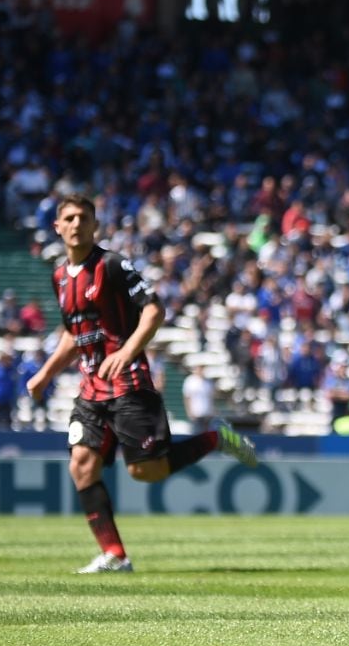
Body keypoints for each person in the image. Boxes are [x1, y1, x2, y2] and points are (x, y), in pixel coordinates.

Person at [26, 194, 257, 574]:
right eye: (68, 218)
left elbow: (153, 309)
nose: (76, 224)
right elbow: (73, 333)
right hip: (90, 390)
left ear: (95, 224)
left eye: (83, 217)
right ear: (57, 226)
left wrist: (127, 351)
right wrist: (45, 373)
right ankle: (115, 555)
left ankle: (217, 439)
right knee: (82, 466)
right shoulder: (58, 277)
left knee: (145, 471)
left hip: (129, 385)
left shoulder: (113, 265)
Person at [181, 364, 216, 435]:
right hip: (196, 414)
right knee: (196, 434)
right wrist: (189, 412)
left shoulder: (208, 382)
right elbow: (187, 398)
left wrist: (212, 411)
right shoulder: (190, 381)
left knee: (206, 435)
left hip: (207, 414)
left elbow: (211, 398)